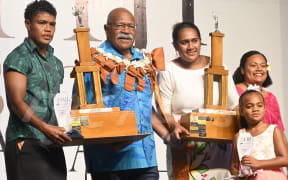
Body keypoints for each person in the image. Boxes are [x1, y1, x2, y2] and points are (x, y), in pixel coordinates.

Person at [72, 8, 159, 180]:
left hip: (146, 158)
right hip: (108, 161)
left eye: (130, 26)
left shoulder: (145, 61)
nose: (126, 31)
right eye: (120, 26)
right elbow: (77, 114)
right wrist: (102, 135)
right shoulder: (93, 61)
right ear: (107, 28)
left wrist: (169, 133)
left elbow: (149, 108)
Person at [154, 22, 239, 179]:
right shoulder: (168, 71)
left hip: (218, 148)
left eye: (195, 40)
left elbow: (236, 105)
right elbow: (163, 111)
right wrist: (173, 127)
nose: (190, 46)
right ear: (175, 45)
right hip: (185, 145)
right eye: (184, 42)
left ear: (201, 41)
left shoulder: (219, 66)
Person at [3, 1, 72, 180]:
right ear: (28, 24)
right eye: (42, 23)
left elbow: (57, 106)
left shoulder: (56, 63)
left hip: (52, 143)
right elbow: (17, 104)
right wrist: (45, 128)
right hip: (25, 141)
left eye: (52, 24)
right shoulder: (18, 57)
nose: (48, 29)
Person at [230, 89, 288, 179]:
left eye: (259, 105)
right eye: (249, 106)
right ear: (241, 111)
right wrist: (240, 177)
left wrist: (258, 163)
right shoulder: (239, 136)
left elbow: (285, 159)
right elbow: (234, 166)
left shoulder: (273, 130)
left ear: (264, 108)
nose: (255, 109)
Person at [233, 50, 285, 131]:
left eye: (263, 66)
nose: (259, 69)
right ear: (242, 70)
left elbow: (279, 129)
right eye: (253, 65)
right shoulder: (233, 91)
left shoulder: (271, 97)